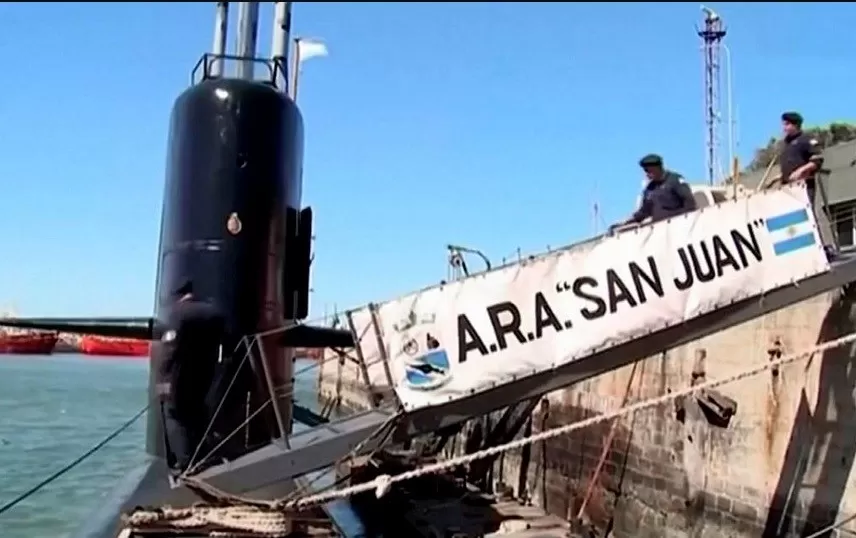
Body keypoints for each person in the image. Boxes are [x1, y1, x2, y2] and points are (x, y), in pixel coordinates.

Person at [158, 278, 226, 474]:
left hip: (178, 377)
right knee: (197, 414)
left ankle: (186, 463)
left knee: (175, 415)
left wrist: (162, 382)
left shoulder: (177, 314)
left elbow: (169, 351)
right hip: (204, 376)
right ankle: (202, 455)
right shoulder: (213, 313)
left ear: (177, 296)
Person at [777, 111, 834, 259]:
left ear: (795, 125)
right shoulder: (786, 144)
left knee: (809, 216)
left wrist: (800, 171)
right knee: (794, 219)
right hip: (788, 188)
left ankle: (824, 247)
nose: (784, 128)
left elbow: (817, 160)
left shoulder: (806, 140)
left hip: (804, 185)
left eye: (787, 124)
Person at [611, 154, 697, 231]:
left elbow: (690, 205)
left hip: (678, 227)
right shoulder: (650, 189)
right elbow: (644, 212)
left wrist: (671, 217)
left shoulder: (675, 180)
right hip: (658, 231)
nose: (646, 174)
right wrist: (625, 223)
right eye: (645, 171)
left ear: (657, 168)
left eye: (648, 171)